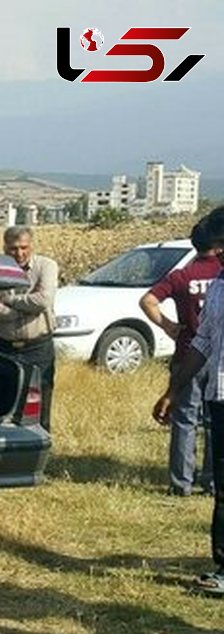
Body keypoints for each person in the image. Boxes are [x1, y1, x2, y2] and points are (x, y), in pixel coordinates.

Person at [153, 206, 224, 596]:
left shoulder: (197, 277)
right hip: (218, 387)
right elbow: (204, 342)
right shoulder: (218, 285)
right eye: (216, 250)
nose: (219, 257)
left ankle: (185, 482)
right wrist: (171, 391)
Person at [140, 222, 222, 496]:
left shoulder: (182, 275)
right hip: (217, 358)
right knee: (214, 422)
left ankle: (181, 483)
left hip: (188, 353)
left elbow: (147, 300)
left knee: (184, 420)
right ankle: (212, 481)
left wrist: (168, 326)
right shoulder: (219, 275)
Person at [0, 225, 59, 431]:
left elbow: (43, 300)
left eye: (23, 247)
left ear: (31, 246)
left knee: (41, 401)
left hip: (38, 347)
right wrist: (21, 310)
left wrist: (10, 299)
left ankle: (41, 447)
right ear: (4, 248)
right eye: (13, 248)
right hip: (4, 346)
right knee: (0, 401)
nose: (19, 253)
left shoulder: (46, 266)